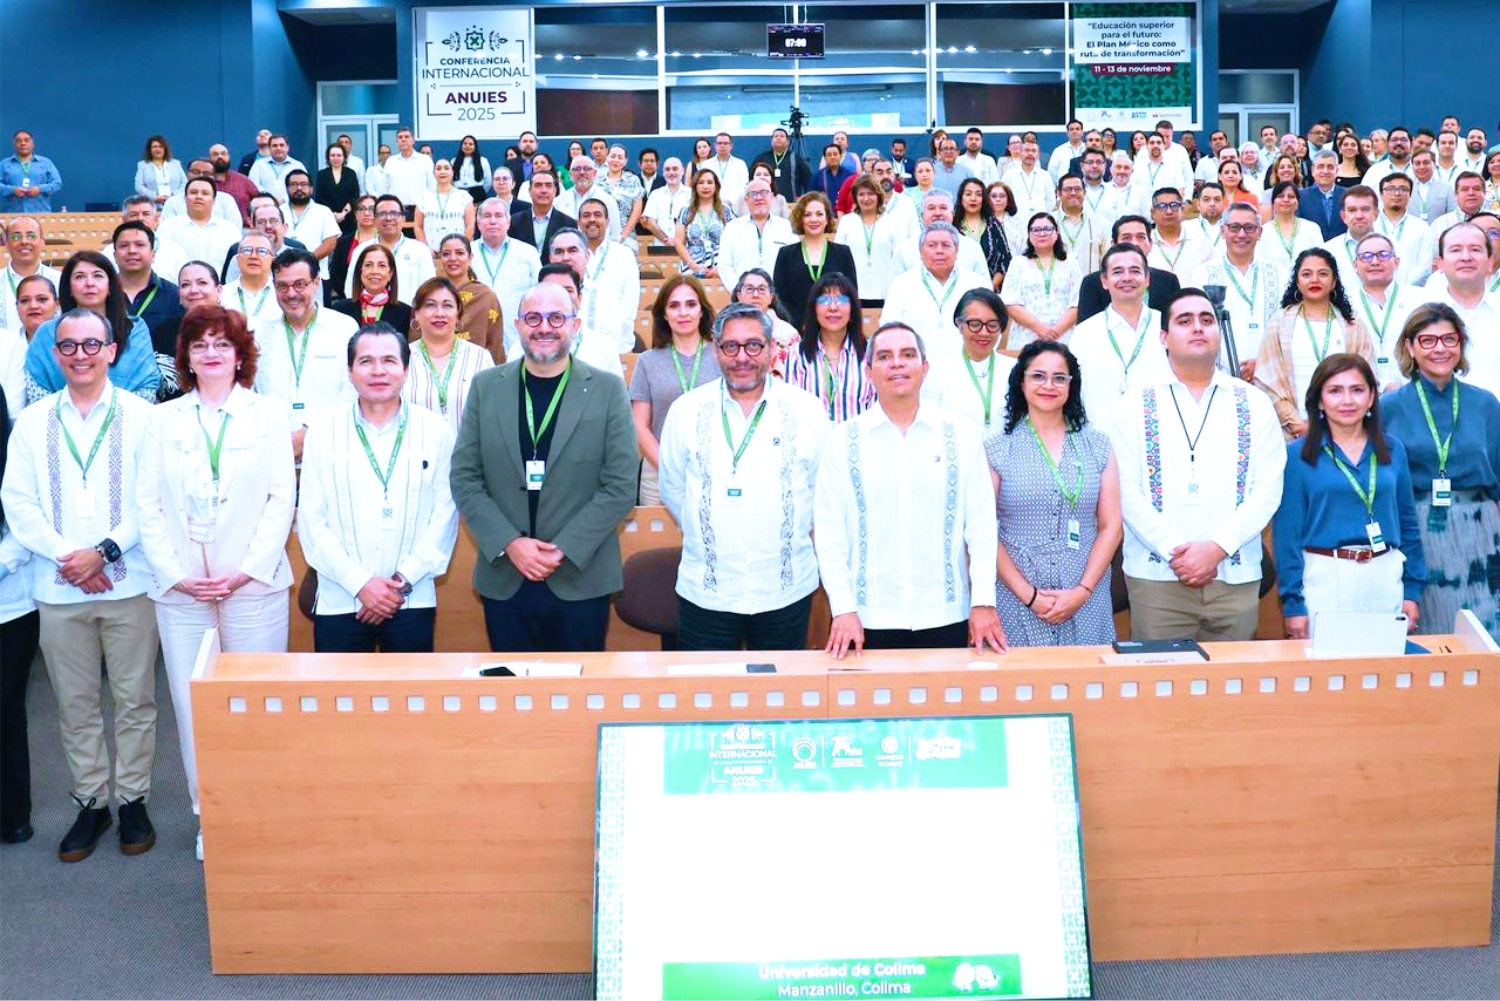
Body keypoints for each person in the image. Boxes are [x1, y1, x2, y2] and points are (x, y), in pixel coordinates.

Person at [135, 305, 293, 859]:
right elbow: (147, 505)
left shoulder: (267, 415)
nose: (211, 353)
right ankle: (213, 816)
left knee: (258, 704)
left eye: (222, 344)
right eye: (199, 344)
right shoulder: (163, 420)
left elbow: (281, 498)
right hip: (183, 594)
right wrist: (177, 576)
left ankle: (261, 809)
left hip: (253, 587)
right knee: (193, 707)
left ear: (240, 354)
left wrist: (247, 569)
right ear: (186, 356)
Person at [2, 308, 160, 862]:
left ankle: (133, 800)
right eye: (68, 346)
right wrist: (70, 558)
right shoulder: (32, 422)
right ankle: (91, 803)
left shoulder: (143, 417)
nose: (80, 355)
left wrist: (104, 553)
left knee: (135, 699)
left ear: (111, 351)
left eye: (92, 345)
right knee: (75, 704)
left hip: (128, 580)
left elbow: (152, 500)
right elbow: (17, 502)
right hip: (58, 584)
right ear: (55, 355)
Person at [449, 283, 638, 652]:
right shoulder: (486, 387)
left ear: (575, 325)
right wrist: (510, 543)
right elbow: (465, 477)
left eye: (556, 318)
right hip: (506, 575)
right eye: (533, 318)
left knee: (578, 687)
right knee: (511, 687)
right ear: (518, 326)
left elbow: (620, 486)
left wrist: (563, 548)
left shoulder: (608, 389)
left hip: (581, 576)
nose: (545, 328)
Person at [809, 319, 1005, 657]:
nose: (897, 363)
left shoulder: (961, 434)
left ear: (924, 368)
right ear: (869, 372)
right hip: (865, 619)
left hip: (946, 614)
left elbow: (982, 524)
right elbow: (829, 532)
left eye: (908, 354)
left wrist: (983, 601)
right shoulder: (842, 439)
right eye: (884, 356)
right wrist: (842, 607)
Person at [1108, 289, 1285, 641]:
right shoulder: (1134, 402)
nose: (1198, 328)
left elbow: (1268, 489)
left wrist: (1216, 549)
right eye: (1184, 321)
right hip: (1158, 579)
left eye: (1207, 320)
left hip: (1234, 577)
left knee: (1233, 676)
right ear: (1164, 337)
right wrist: (1178, 553)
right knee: (1159, 675)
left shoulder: (1254, 403)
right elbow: (1124, 489)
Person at [658, 303, 830, 651]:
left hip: (784, 593)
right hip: (707, 594)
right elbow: (673, 488)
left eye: (753, 345)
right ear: (716, 350)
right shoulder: (686, 411)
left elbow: (821, 492)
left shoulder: (807, 410)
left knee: (781, 686)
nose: (741, 357)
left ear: (771, 349)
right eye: (730, 346)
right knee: (707, 686)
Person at [300, 324, 458, 653]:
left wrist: (400, 582)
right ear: (350, 372)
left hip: (411, 598)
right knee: (338, 688)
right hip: (341, 597)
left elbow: (445, 515)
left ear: (406, 370)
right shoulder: (323, 433)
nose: (378, 371)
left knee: (410, 688)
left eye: (389, 360)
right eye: (365, 361)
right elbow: (312, 521)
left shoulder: (435, 431)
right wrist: (361, 584)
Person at [1274, 354, 1424, 640]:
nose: (1347, 400)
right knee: (1329, 667)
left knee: (1385, 663)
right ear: (1319, 401)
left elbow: (1408, 524)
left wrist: (1412, 590)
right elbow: (1287, 535)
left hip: (1385, 575)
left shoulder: (1393, 450)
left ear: (1371, 397)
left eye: (1357, 390)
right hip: (1325, 578)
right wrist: (1293, 603)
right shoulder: (1298, 455)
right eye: (1335, 391)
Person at [986, 339, 1121, 646]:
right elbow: (983, 531)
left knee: (1087, 675)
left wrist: (1082, 591)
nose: (1049, 385)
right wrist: (1029, 596)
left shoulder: (1098, 445)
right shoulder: (997, 448)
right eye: (1038, 376)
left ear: (1072, 385)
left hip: (1085, 594)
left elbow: (1111, 525)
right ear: (1021, 382)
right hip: (1016, 595)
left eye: (1059, 378)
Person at [1379, 304, 1500, 639]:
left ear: (1460, 344)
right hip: (1419, 531)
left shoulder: (1486, 404)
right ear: (1410, 347)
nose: (1440, 348)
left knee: (1487, 633)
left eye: (1449, 339)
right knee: (1430, 629)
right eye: (1428, 340)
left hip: (1483, 531)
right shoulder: (1388, 407)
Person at [1257, 248, 1377, 438]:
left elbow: (1367, 376)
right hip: (1294, 432)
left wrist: (1332, 427)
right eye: (1306, 274)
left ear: (1334, 282)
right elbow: (1266, 381)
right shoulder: (1279, 323)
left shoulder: (1353, 325)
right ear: (1297, 282)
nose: (1315, 280)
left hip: (1344, 429)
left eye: (1323, 274)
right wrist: (1297, 424)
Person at [257, 249, 358, 460]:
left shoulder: (344, 328)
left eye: (300, 284)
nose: (291, 293)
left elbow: (353, 389)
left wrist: (308, 434)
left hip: (330, 451)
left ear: (316, 282)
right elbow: (251, 390)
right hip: (271, 451)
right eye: (282, 286)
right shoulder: (257, 331)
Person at [630, 274, 721, 504]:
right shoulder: (647, 361)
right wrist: (668, 468)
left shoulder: (722, 356)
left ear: (702, 311)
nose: (683, 312)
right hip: (658, 472)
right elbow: (640, 425)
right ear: (664, 314)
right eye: (674, 306)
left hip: (714, 469)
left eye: (691, 304)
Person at [26, 252, 159, 405]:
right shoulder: (47, 333)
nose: (89, 283)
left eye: (98, 276)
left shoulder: (134, 330)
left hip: (126, 416)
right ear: (69, 288)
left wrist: (107, 413)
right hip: (59, 415)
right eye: (80, 277)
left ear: (110, 286)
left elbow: (146, 387)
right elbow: (37, 390)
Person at [1068, 243, 1173, 428]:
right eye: (1117, 272)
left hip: (1160, 435)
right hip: (1101, 438)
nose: (1126, 278)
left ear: (1147, 279)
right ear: (1104, 281)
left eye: (1135, 271)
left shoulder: (1168, 327)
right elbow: (1073, 391)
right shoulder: (1085, 332)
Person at [882, 222, 990, 365]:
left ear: (957, 250)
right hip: (916, 368)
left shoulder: (976, 283)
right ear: (920, 251)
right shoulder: (901, 284)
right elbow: (888, 329)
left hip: (967, 367)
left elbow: (993, 326)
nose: (939, 251)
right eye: (932, 245)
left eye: (946, 245)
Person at [402, 275, 495, 432]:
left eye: (447, 306)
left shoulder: (479, 358)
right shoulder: (402, 358)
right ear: (417, 313)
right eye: (430, 305)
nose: (440, 313)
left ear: (458, 314)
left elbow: (492, 415)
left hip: (467, 447)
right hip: (415, 445)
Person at [1418, 222, 1500, 398]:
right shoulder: (1420, 314)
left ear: (1490, 261)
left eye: (1475, 250)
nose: (1466, 257)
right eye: (1455, 250)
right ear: (1440, 263)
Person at [921, 288, 1016, 432]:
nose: (984, 333)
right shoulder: (938, 371)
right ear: (960, 325)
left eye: (992, 325)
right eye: (975, 325)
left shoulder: (1014, 369)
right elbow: (930, 424)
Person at [783, 273, 873, 423]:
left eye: (841, 300)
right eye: (824, 300)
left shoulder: (871, 353)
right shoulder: (796, 355)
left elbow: (878, 409)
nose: (833, 307)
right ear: (814, 309)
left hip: (858, 436)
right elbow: (789, 410)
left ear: (852, 309)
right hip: (811, 437)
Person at [110, 223, 183, 396]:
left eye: (140, 245)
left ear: (153, 254)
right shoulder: (101, 295)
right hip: (111, 384)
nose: (132, 251)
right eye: (124, 245)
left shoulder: (174, 296)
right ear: (114, 255)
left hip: (163, 390)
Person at [772, 192, 857, 330]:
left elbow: (851, 295)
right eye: (807, 214)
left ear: (827, 218)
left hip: (834, 328)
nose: (813, 219)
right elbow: (780, 297)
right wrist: (801, 323)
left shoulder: (843, 253)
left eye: (819, 214)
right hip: (796, 330)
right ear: (800, 219)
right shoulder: (786, 254)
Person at [470, 197, 540, 362]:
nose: (493, 221)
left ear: (508, 222)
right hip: (476, 337)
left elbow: (538, 294)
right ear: (478, 223)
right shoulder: (467, 253)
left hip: (516, 339)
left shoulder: (528, 253)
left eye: (499, 216)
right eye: (487, 216)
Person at [1350, 233, 1420, 390]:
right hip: (1362, 392)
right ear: (1355, 265)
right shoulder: (1346, 305)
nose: (1375, 262)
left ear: (1396, 262)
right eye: (1366, 256)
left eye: (1383, 255)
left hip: (1414, 389)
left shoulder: (1420, 299)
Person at [1001, 212, 1081, 349]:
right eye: (1036, 230)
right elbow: (1010, 302)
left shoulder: (1071, 262)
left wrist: (1056, 331)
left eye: (1048, 229)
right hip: (1027, 336)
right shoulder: (1018, 263)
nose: (1042, 234)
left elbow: (1077, 302)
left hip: (1064, 335)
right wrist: (1038, 327)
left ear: (1057, 234)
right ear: (1029, 235)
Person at [572, 200, 641, 355]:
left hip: (617, 343)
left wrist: (609, 339)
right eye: (586, 215)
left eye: (597, 215)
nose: (592, 219)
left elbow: (629, 304)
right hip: (575, 344)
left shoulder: (624, 255)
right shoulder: (570, 256)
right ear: (578, 223)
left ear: (607, 222)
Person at [151, 260, 222, 402]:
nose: (193, 290)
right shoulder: (162, 332)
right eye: (185, 285)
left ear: (218, 290)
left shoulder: (235, 330)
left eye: (202, 283)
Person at [536, 262, 622, 378]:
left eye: (568, 290)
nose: (560, 296)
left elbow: (615, 389)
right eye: (552, 290)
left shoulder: (604, 349)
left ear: (579, 298)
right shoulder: (522, 348)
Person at [345, 195, 435, 305]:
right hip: (369, 313)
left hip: (409, 313)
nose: (388, 218)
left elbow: (430, 289)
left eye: (394, 213)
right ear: (375, 219)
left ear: (403, 219)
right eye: (382, 214)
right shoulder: (361, 250)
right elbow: (351, 287)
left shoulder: (420, 250)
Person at [428, 234, 505, 363]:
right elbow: (417, 335)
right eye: (446, 254)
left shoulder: (485, 296)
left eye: (460, 253)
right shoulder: (429, 294)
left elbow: (495, 343)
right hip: (434, 366)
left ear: (470, 258)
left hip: (475, 367)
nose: (453, 258)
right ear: (440, 258)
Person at [833, 175, 902, 305]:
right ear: (855, 197)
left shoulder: (893, 222)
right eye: (861, 194)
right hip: (853, 292)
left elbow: (899, 259)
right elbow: (838, 258)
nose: (866, 198)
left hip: (885, 293)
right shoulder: (847, 221)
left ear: (878, 196)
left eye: (870, 194)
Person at [719, 176, 795, 292]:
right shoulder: (732, 228)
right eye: (753, 194)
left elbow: (792, 263)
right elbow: (724, 265)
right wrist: (739, 292)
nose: (759, 198)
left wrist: (777, 293)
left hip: (777, 296)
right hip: (742, 297)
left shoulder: (784, 226)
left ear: (771, 197)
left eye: (764, 193)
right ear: (746, 200)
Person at [158, 177, 241, 276]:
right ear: (185, 198)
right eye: (193, 192)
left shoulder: (230, 230)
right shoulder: (168, 227)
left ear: (214, 200)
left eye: (205, 193)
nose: (199, 196)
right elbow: (160, 262)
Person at [730, 268, 799, 377]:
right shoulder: (728, 330)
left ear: (771, 297)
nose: (755, 294)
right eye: (749, 289)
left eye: (761, 289)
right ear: (739, 296)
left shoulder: (788, 333)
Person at [332, 243, 410, 336]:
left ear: (390, 273)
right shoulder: (339, 310)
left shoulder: (405, 313)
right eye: (368, 265)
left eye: (382, 265)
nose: (374, 271)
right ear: (360, 271)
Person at [0, 217, 61, 333]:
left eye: (31, 236)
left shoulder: (60, 281)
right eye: (16, 237)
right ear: (6, 243)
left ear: (42, 242)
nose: (24, 241)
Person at [1373, 174, 1437, 285]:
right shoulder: (1371, 226)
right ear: (1380, 194)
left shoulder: (1421, 227)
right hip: (1375, 287)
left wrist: (1400, 287)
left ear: (1410, 195)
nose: (1397, 194)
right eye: (1390, 189)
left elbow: (1425, 266)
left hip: (1410, 290)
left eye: (1403, 189)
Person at [674, 168, 733, 280]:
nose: (705, 186)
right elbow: (678, 242)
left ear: (716, 186)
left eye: (710, 182)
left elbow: (734, 241)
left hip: (720, 268)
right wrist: (693, 266)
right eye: (701, 183)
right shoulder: (685, 211)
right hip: (691, 267)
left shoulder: (726, 211)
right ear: (695, 186)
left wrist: (720, 268)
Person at [1257, 181, 1325, 274]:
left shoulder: (1312, 228)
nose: (1286, 200)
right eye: (1280, 196)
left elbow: (1321, 260)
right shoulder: (1263, 231)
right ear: (1273, 203)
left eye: (1291, 196)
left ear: (1297, 203)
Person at [283, 170, 342, 277]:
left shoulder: (323, 211)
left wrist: (307, 261)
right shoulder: (278, 211)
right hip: (282, 273)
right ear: (287, 189)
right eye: (294, 184)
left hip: (316, 274)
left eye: (303, 184)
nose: (299, 188)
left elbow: (330, 242)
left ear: (311, 189)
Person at [413, 159, 475, 254]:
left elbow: (470, 225)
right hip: (431, 253)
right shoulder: (424, 197)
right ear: (433, 173)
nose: (442, 172)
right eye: (438, 169)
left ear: (452, 172)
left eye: (446, 168)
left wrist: (462, 248)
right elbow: (418, 226)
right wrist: (426, 249)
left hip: (457, 254)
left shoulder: (464, 197)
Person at [1053, 174, 1108, 276]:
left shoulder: (1099, 222)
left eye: (1077, 189)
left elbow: (1107, 259)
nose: (1073, 193)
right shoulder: (1050, 222)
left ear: (1084, 192)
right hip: (1058, 283)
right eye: (1067, 189)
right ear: (1058, 193)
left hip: (1090, 283)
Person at [329, 195, 380, 302]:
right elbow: (335, 274)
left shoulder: (384, 240)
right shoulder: (343, 242)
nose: (366, 213)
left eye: (371, 209)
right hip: (349, 298)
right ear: (355, 214)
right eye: (362, 209)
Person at [1, 130, 62, 213]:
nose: (23, 143)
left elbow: (57, 183)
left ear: (32, 143)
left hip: (41, 214)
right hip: (13, 215)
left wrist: (40, 189)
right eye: (18, 141)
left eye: (26, 140)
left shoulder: (45, 163)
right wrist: (12, 190)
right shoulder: (4, 164)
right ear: (14, 145)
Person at [598, 144, 645, 246]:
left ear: (625, 161)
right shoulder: (597, 180)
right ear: (607, 157)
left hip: (627, 236)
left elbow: (637, 211)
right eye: (613, 156)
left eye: (620, 157)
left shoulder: (633, 180)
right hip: (600, 236)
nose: (616, 160)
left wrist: (623, 235)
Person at [380, 128, 435, 212]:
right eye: (400, 137)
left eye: (406, 137)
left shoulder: (425, 160)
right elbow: (384, 188)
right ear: (396, 141)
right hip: (396, 210)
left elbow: (432, 187)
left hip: (420, 209)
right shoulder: (391, 161)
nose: (403, 139)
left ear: (413, 140)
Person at [1298, 150, 1349, 241]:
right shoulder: (1300, 197)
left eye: (1330, 167)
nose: (1325, 171)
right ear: (1313, 171)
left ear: (1337, 171)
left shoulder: (1348, 195)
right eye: (1320, 167)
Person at [641, 157, 691, 244]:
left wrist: (678, 241)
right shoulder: (655, 194)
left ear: (682, 171)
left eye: (675, 169)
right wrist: (667, 241)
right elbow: (650, 223)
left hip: (686, 247)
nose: (671, 172)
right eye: (667, 169)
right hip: (661, 247)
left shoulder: (692, 194)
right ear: (663, 173)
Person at [246, 134, 306, 206]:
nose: (278, 148)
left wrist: (284, 200)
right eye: (275, 146)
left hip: (292, 206)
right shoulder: (258, 165)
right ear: (269, 148)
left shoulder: (298, 166)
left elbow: (303, 186)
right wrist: (270, 199)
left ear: (287, 148)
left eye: (281, 145)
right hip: (265, 206)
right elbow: (253, 185)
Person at [207, 143, 259, 225]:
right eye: (215, 154)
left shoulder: (243, 181)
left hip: (244, 228)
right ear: (209, 158)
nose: (220, 157)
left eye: (223, 153)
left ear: (228, 157)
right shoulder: (205, 183)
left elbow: (259, 200)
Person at [756, 128, 810, 202]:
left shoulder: (796, 158)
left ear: (788, 141)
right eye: (776, 136)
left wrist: (806, 197)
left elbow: (808, 181)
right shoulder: (763, 158)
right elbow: (751, 178)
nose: (778, 138)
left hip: (791, 203)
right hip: (766, 202)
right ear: (771, 141)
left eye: (782, 136)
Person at [316, 142, 361, 230]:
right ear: (328, 157)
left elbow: (354, 195)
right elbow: (319, 197)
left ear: (344, 157)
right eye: (333, 155)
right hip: (327, 218)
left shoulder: (351, 173)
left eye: (339, 155)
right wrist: (333, 214)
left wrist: (343, 213)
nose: (336, 158)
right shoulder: (322, 174)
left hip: (348, 218)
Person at [133, 135, 186, 206]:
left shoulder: (176, 163)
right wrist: (154, 197)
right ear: (150, 150)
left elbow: (184, 183)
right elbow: (139, 186)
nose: (157, 149)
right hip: (154, 204)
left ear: (165, 149)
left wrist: (173, 196)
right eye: (154, 147)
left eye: (161, 146)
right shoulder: (142, 165)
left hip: (176, 203)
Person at [453, 135, 492, 205]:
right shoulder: (453, 161)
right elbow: (451, 181)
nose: (467, 146)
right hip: (458, 196)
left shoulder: (483, 161)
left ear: (475, 146)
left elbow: (488, 181)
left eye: (471, 144)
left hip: (478, 196)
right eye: (465, 144)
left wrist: (479, 192)